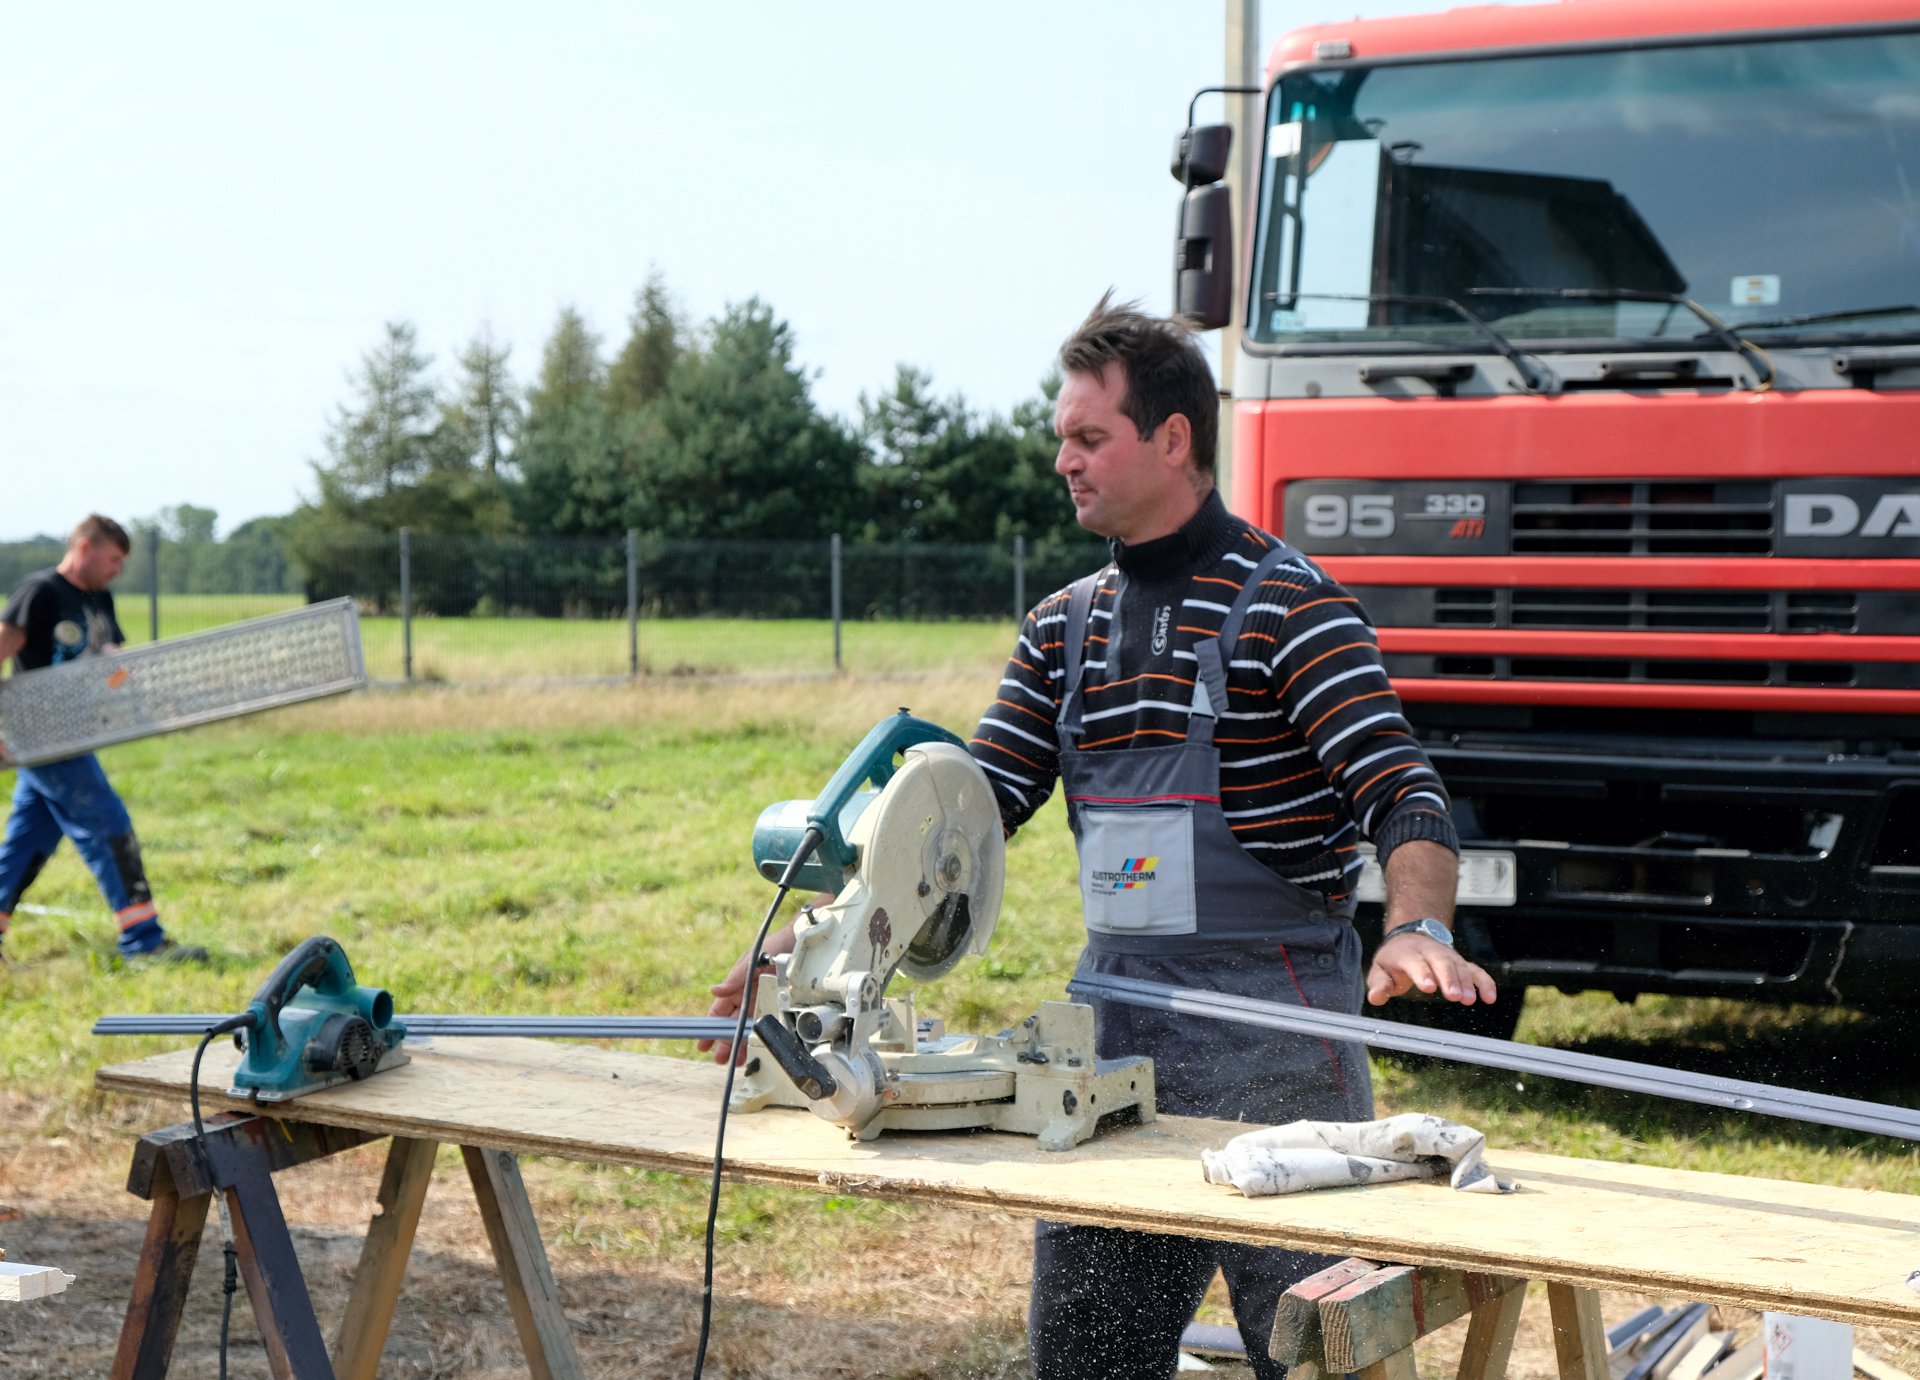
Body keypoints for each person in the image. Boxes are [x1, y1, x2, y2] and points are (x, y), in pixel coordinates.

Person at [705, 297, 1495, 1378]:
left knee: (1315, 1356)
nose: (1063, 461)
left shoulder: (1292, 610)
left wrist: (1417, 925)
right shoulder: (1061, 630)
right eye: (1061, 438)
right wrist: (812, 946)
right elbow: (958, 824)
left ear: (1171, 439)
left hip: (1276, 1042)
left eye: (1089, 436)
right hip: (1110, 1042)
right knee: (1087, 1354)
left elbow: (1403, 794)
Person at [0, 515, 205, 964]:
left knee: (29, 841)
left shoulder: (99, 597)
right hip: (43, 736)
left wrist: (131, 679)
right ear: (85, 547)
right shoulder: (41, 592)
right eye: (113, 559)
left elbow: (110, 662)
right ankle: (143, 942)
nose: (118, 570)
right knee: (108, 823)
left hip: (75, 735)